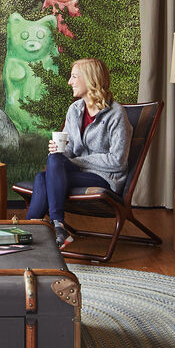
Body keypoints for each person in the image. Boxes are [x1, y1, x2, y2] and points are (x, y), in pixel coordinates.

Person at [26, 58, 130, 244]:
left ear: (90, 79)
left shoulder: (116, 113)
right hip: (77, 172)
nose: (69, 82)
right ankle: (57, 225)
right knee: (52, 161)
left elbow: (118, 161)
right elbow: (69, 150)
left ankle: (28, 231)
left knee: (43, 178)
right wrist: (59, 151)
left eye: (74, 77)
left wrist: (75, 161)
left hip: (104, 177)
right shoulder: (74, 109)